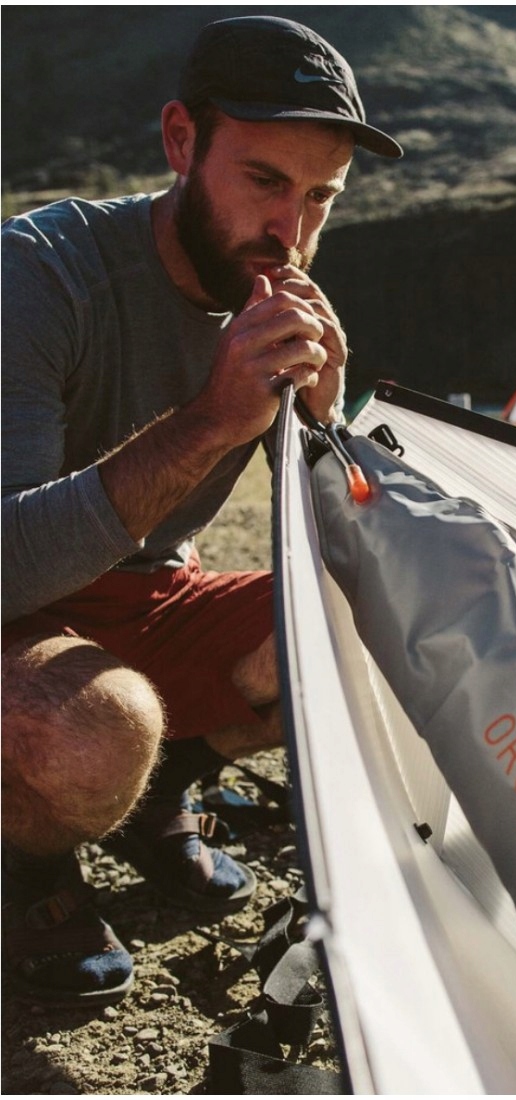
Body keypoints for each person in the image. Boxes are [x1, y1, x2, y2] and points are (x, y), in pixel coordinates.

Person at [1, 15, 402, 1006]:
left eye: (320, 197)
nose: (291, 230)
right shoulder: (40, 274)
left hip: (149, 602)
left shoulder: (264, 287)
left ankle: (158, 786)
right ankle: (26, 858)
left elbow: (339, 531)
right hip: (19, 612)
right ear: (182, 141)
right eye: (264, 180)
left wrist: (324, 424)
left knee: (386, 620)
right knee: (95, 731)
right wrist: (211, 421)